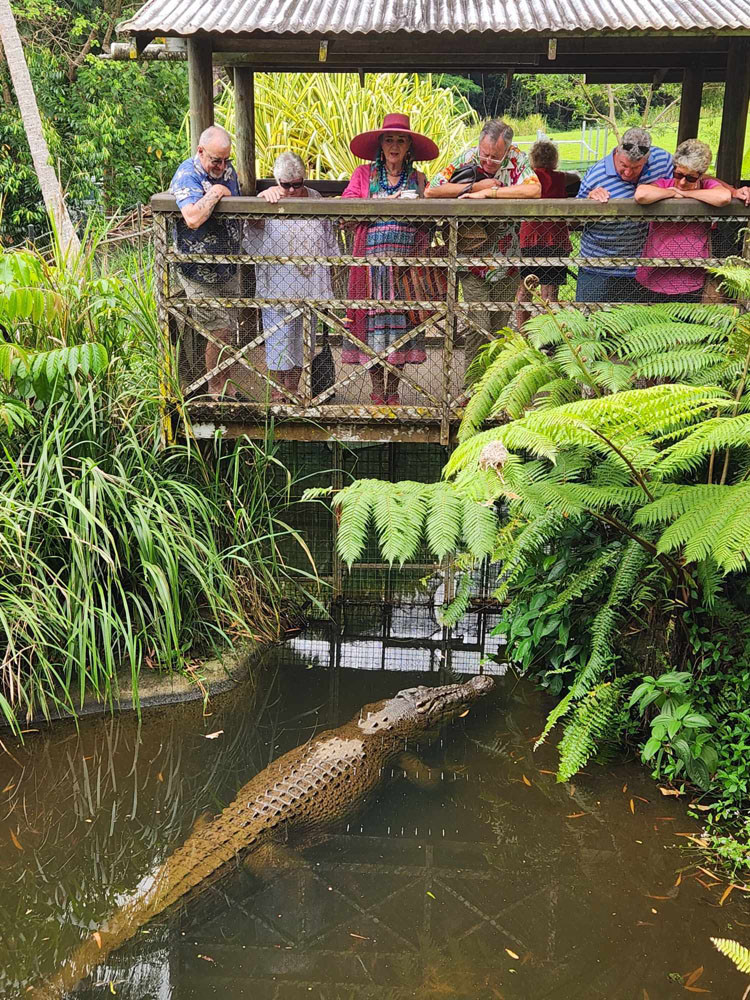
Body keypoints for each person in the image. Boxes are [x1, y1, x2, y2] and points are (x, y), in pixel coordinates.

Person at [426, 119, 541, 372]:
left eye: (495, 158)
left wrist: (492, 194)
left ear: (507, 151)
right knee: (479, 327)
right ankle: (472, 389)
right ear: (479, 145)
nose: (488, 162)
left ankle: (494, 390)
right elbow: (431, 190)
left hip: (507, 260)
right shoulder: (468, 158)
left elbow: (534, 191)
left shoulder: (517, 160)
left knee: (499, 331)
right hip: (472, 260)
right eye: (484, 155)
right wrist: (475, 186)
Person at [341, 112, 439, 406]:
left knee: (401, 329)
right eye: (389, 140)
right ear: (380, 145)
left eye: (401, 140)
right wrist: (383, 204)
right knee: (370, 331)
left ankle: (393, 390)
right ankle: (375, 389)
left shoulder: (418, 179)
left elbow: (429, 223)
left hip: (405, 271)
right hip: (369, 270)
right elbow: (346, 206)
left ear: (409, 146)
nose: (394, 146)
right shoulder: (363, 175)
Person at [246, 153, 339, 403]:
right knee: (278, 337)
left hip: (309, 282)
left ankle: (294, 388)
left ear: (304, 179)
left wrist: (331, 270)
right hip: (277, 281)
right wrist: (261, 202)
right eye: (285, 184)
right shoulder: (269, 198)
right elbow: (251, 231)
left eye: (297, 184)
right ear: (277, 180)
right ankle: (278, 391)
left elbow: (329, 237)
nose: (291, 190)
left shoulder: (316, 198)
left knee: (302, 338)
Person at [169, 125, 242, 396]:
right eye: (215, 160)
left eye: (226, 160)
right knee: (217, 329)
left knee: (227, 328)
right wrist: (216, 191)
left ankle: (226, 389)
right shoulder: (187, 174)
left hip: (228, 267)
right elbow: (192, 217)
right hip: (196, 270)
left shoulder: (228, 169)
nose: (221, 166)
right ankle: (216, 391)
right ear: (200, 152)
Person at [575, 127, 673, 303]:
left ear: (647, 159)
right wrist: (589, 200)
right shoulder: (595, 175)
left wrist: (732, 191)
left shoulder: (663, 160)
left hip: (643, 267)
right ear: (616, 152)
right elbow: (574, 220)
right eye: (624, 165)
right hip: (599, 266)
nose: (628, 173)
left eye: (636, 168)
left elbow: (695, 178)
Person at [633, 139, 732, 302]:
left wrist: (685, 195)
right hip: (654, 275)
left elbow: (723, 197)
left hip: (690, 279)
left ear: (701, 175)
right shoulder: (665, 184)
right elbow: (641, 194)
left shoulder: (708, 185)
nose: (682, 182)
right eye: (678, 175)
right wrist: (671, 192)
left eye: (690, 178)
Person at [515, 140, 579, 326]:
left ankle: (522, 331)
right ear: (554, 159)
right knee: (549, 292)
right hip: (555, 239)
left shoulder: (528, 178)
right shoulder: (561, 177)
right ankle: (547, 334)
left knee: (526, 287)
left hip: (530, 238)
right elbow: (575, 176)